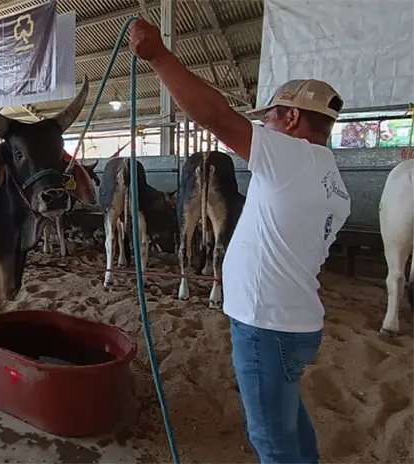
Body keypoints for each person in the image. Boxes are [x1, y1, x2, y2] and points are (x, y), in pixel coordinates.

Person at [129, 18, 351, 464]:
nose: (263, 127)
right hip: (296, 323)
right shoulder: (332, 180)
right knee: (289, 425)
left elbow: (214, 116)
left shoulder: (290, 155)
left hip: (266, 325)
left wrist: (159, 57)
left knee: (270, 440)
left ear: (291, 118)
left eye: (269, 117)